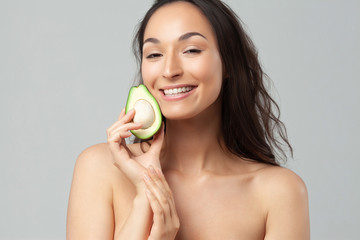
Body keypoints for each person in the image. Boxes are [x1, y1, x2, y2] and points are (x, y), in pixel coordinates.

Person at [66, 0, 310, 239]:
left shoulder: (279, 193)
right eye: (154, 54)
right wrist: (144, 196)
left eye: (191, 50)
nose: (170, 70)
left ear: (228, 63)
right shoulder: (100, 167)